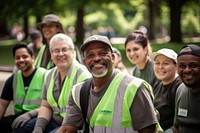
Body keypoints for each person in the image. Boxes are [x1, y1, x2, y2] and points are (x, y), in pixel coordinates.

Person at [57, 35, 158, 133]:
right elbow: (67, 129)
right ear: (85, 62)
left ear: (113, 58)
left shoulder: (134, 88)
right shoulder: (77, 92)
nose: (96, 58)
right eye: (90, 55)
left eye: (103, 53)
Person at [12, 33, 91, 133]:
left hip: (74, 127)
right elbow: (46, 106)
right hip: (55, 121)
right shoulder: (49, 74)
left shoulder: (83, 76)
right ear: (51, 55)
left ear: (73, 52)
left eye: (65, 49)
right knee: (20, 128)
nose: (60, 54)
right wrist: (38, 128)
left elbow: (77, 118)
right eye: (56, 51)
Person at [0, 43, 46, 133]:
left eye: (25, 56)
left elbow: (51, 105)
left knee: (20, 128)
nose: (21, 60)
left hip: (39, 115)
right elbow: (2, 104)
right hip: (19, 116)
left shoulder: (45, 75)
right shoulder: (13, 79)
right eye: (17, 58)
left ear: (33, 58)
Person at [165, 44, 200, 133]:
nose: (187, 70)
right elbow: (176, 127)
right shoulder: (181, 89)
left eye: (193, 65)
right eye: (182, 66)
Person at [150, 48, 182, 131]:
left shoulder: (179, 87)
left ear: (176, 66)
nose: (160, 67)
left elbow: (179, 124)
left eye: (166, 63)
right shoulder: (158, 83)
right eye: (157, 63)